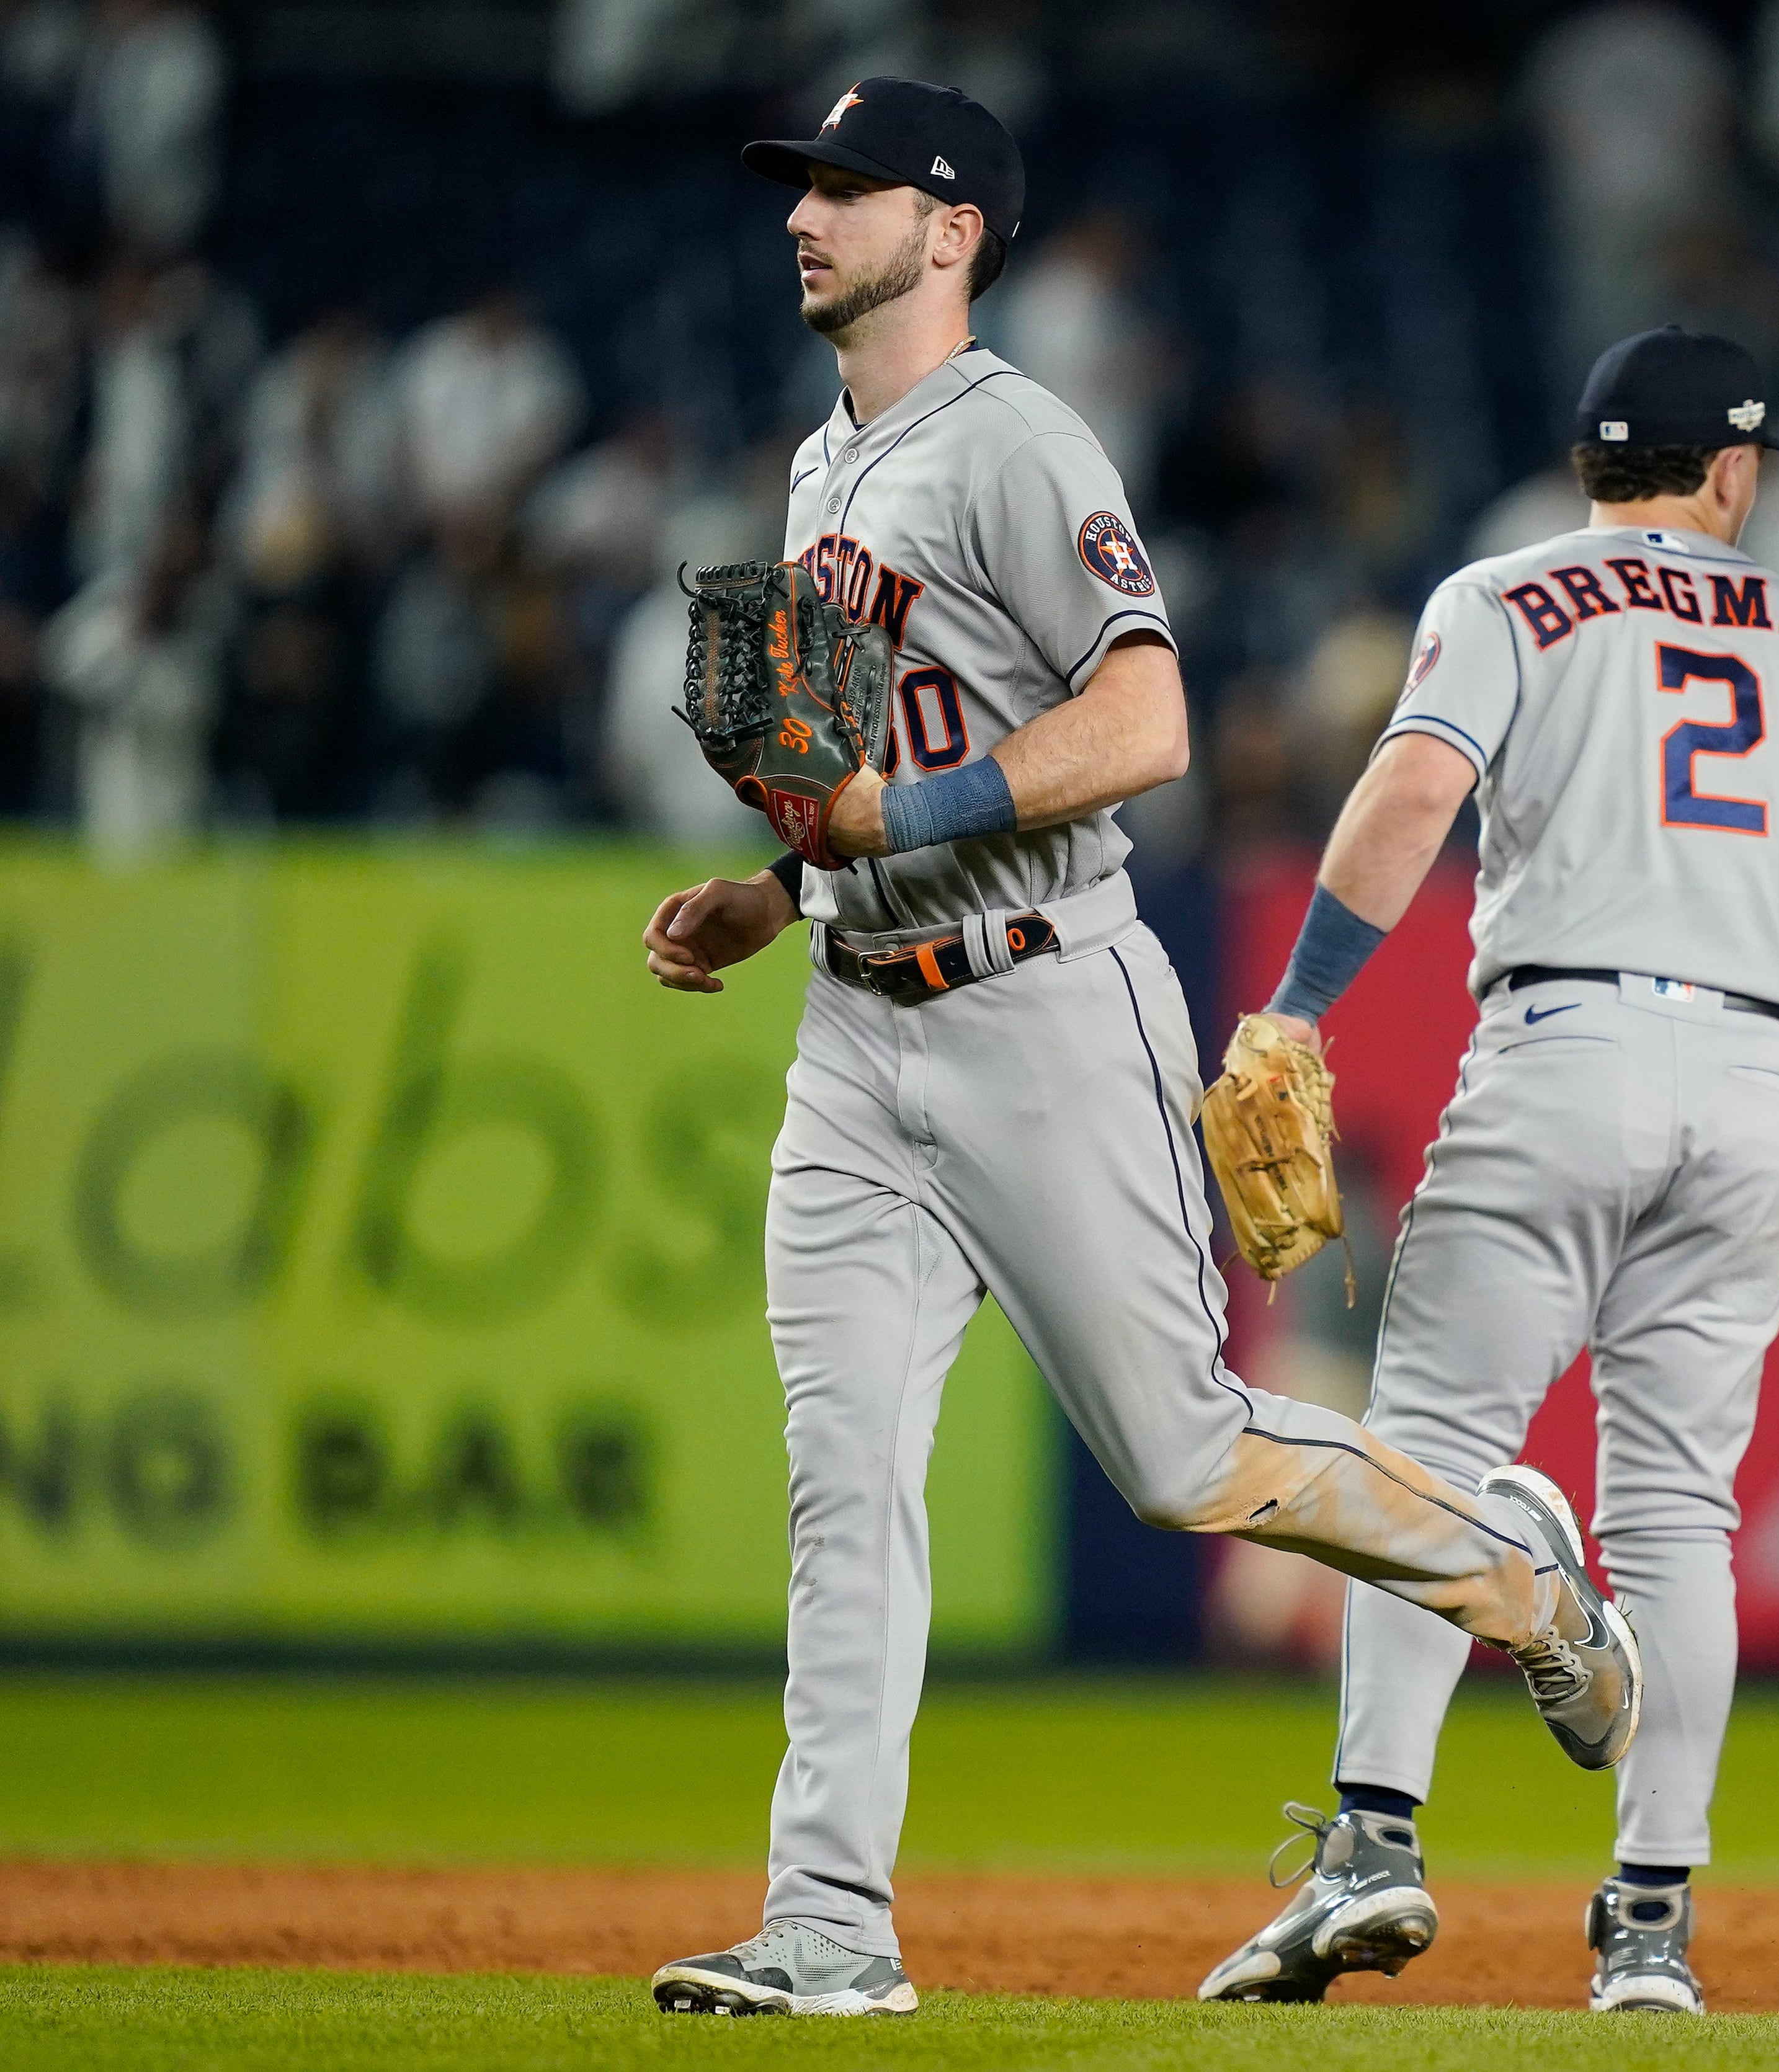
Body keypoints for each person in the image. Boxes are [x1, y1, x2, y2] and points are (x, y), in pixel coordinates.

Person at [631, 78, 1638, 2020]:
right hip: (858, 1028)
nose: (805, 217)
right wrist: (787, 885)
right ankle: (831, 1924)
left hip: (1038, 1006)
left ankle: (1513, 1563)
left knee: (1185, 1457)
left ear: (954, 230)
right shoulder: (823, 467)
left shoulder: (1018, 439)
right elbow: (852, 781)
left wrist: (892, 836)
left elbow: (1152, 719)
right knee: (848, 1482)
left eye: (848, 189)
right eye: (801, 187)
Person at [1195, 326, 1779, 2015]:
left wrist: (1297, 1005)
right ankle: (1649, 1930)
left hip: (1559, 1050)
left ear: (1589, 467)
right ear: (1730, 473)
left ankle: (1373, 1845)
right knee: (1681, 1518)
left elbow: (1416, 784)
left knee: (1423, 1459)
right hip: (1749, 1078)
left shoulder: (1503, 598)